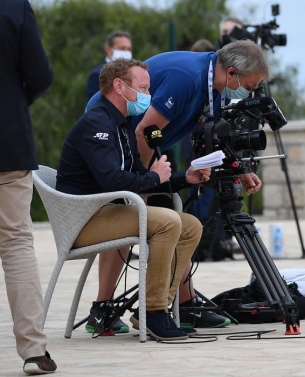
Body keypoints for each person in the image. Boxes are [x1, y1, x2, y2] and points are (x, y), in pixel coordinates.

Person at [87, 39, 270, 328]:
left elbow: (211, 136)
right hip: (117, 139)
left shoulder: (217, 85)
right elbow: (145, 129)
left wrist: (241, 169)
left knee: (176, 219)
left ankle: (185, 304)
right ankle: (102, 309)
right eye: (249, 86)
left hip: (146, 139)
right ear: (232, 73)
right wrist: (143, 181)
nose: (249, 93)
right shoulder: (187, 79)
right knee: (128, 213)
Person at [57, 59, 211, 341]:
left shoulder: (123, 124)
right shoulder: (96, 123)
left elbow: (139, 175)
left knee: (190, 226)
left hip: (106, 212)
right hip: (84, 219)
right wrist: (153, 177)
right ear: (119, 86)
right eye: (142, 88)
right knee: (166, 222)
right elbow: (112, 181)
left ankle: (156, 308)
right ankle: (153, 313)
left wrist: (183, 178)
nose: (149, 96)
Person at [0, 0, 57, 374]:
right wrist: (15, 102)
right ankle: (34, 351)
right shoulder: (14, 8)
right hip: (8, 142)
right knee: (17, 242)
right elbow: (40, 76)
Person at [85, 31, 132, 100]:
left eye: (129, 49)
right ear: (108, 50)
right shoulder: (97, 75)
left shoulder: (131, 73)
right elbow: (93, 105)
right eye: (122, 48)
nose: (126, 52)